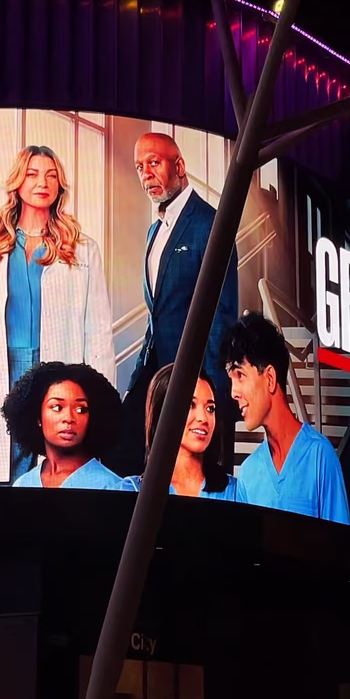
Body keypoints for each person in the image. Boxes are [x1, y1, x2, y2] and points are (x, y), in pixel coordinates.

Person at [0, 146, 115, 479]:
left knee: (56, 463)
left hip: (58, 365)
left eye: (51, 175)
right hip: (2, 367)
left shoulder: (82, 248)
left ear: (60, 185)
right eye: (32, 174)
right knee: (2, 463)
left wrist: (102, 395)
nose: (42, 183)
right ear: (17, 183)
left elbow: (98, 327)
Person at [117, 132, 240, 474]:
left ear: (180, 166)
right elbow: (158, 313)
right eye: (140, 167)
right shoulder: (154, 232)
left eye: (154, 163)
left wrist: (215, 393)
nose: (146, 174)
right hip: (154, 371)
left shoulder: (210, 223)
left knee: (198, 476)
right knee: (123, 455)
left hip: (193, 377)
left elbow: (221, 314)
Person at [223, 312, 349, 522]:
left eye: (240, 375)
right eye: (231, 380)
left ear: (270, 378)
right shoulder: (247, 475)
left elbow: (341, 542)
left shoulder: (319, 456)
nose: (233, 392)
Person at [0, 361, 133, 490]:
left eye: (81, 409)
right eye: (57, 407)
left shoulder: (114, 487)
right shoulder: (23, 484)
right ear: (37, 416)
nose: (69, 418)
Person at [134, 364, 238, 499]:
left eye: (210, 408)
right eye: (190, 405)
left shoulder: (236, 492)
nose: (203, 418)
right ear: (163, 412)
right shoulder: (131, 490)